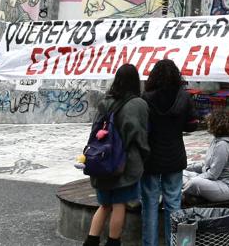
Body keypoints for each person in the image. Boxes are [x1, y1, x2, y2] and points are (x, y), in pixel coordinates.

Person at [83, 64, 149, 246]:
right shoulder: (138, 104)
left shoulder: (105, 101)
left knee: (104, 205)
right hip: (124, 165)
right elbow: (140, 136)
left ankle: (91, 240)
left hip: (102, 162)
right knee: (119, 204)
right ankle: (113, 242)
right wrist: (144, 155)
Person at [140, 59, 198, 246]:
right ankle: (174, 243)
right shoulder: (184, 97)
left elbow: (143, 128)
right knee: (174, 202)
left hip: (151, 158)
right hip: (174, 156)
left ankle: (150, 243)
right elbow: (192, 125)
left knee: (149, 204)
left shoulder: (145, 98)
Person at [183, 109, 229, 202]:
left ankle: (180, 195)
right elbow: (205, 165)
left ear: (218, 125)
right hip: (213, 180)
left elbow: (213, 174)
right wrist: (186, 168)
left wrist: (194, 177)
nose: (208, 124)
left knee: (194, 182)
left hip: (227, 186)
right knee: (180, 174)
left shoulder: (223, 145)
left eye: (210, 122)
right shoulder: (216, 140)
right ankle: (187, 192)